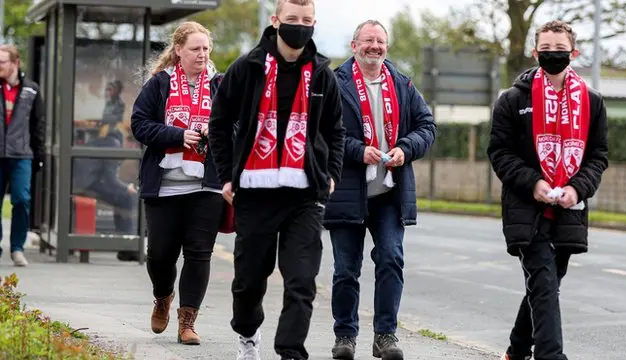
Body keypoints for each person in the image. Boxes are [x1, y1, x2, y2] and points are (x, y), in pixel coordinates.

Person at [208, 0, 345, 358]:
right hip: (254, 191)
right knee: (249, 282)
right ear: (275, 21)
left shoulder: (321, 74)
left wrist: (330, 175)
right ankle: (247, 333)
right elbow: (219, 123)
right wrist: (226, 176)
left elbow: (335, 130)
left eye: (307, 21)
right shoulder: (247, 68)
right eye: (292, 20)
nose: (300, 26)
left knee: (301, 282)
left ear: (314, 24)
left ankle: (290, 351)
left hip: (305, 195)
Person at [487, 20, 608, 360]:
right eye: (546, 49)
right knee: (542, 281)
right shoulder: (511, 100)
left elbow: (598, 156)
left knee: (548, 285)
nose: (553, 55)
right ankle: (551, 355)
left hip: (569, 209)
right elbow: (499, 152)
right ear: (534, 51)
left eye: (560, 50)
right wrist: (534, 183)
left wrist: (577, 188)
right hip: (526, 208)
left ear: (574, 52)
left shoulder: (593, 102)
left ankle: (517, 349)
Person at [322, 20, 436, 360]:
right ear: (354, 44)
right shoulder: (334, 82)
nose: (375, 46)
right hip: (346, 190)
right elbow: (323, 132)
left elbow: (427, 126)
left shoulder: (401, 83)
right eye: (369, 40)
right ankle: (345, 335)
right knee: (346, 270)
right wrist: (357, 151)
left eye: (381, 41)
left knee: (391, 259)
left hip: (389, 192)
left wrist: (406, 147)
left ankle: (385, 335)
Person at [130, 21, 225, 346]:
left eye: (206, 49)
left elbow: (239, 124)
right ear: (179, 51)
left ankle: (188, 321)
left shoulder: (220, 84)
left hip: (207, 185)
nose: (202, 54)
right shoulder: (160, 84)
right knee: (159, 254)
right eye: (195, 49)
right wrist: (176, 135)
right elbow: (139, 124)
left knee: (199, 254)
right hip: (165, 185)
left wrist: (219, 133)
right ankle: (162, 296)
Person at [0, 44, 45, 267]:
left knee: (21, 199)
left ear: (15, 63)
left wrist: (39, 154)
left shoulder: (31, 90)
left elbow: (38, 125)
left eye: (2, 62)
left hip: (22, 155)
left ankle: (17, 247)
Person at [72, 123, 139, 262]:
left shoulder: (108, 141)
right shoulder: (114, 145)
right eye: (133, 146)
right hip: (84, 185)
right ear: (128, 142)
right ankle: (127, 247)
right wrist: (127, 188)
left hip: (83, 182)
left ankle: (125, 244)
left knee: (122, 196)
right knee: (127, 197)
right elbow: (110, 179)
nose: (132, 150)